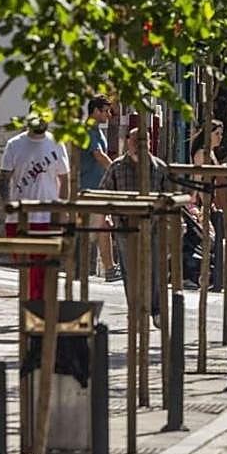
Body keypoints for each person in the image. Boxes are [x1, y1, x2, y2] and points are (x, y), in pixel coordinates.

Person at [100, 128, 169, 325]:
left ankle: (155, 309)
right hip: (124, 229)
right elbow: (104, 192)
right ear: (127, 142)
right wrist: (105, 216)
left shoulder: (159, 168)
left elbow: (171, 197)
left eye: (143, 141)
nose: (139, 145)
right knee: (129, 271)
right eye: (135, 141)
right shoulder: (117, 167)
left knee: (154, 269)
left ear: (149, 142)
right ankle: (135, 309)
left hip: (153, 227)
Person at [0, 112, 69, 301]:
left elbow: (64, 178)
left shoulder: (56, 143)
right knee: (25, 267)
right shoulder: (14, 145)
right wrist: (7, 204)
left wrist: (62, 211)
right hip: (19, 218)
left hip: (47, 217)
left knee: (43, 267)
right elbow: (4, 178)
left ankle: (38, 307)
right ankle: (34, 305)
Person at [79, 96, 118, 281]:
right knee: (101, 227)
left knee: (102, 226)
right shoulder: (88, 131)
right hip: (88, 189)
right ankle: (107, 269)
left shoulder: (97, 131)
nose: (108, 115)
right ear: (95, 111)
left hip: (97, 189)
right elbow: (99, 155)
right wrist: (116, 171)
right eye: (105, 111)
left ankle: (107, 269)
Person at [189, 120, 225, 290]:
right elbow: (199, 179)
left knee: (210, 240)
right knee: (209, 239)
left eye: (221, 134)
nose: (220, 137)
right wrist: (202, 205)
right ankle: (201, 276)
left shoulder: (210, 153)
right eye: (217, 133)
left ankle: (206, 277)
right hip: (200, 203)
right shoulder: (203, 154)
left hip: (207, 203)